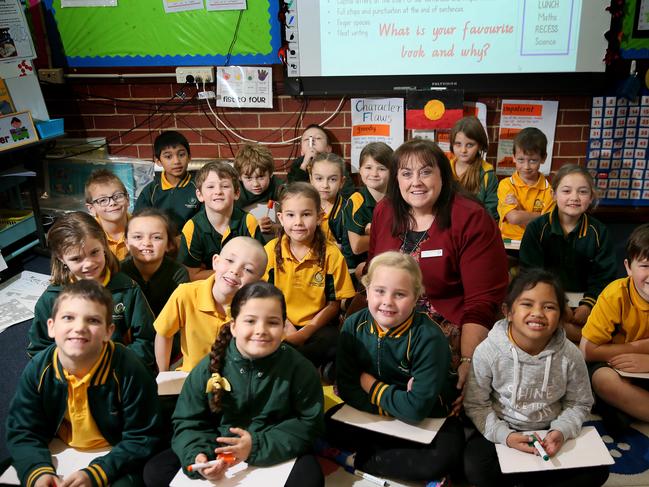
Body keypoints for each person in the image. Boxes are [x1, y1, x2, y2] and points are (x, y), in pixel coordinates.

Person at [143, 282, 325, 487]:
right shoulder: (209, 367)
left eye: (272, 322)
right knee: (156, 471)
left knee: (310, 479)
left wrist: (255, 446)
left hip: (274, 447)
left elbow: (309, 424)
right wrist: (198, 455)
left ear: (284, 327)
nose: (261, 330)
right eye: (250, 321)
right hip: (218, 447)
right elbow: (188, 420)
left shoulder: (299, 369)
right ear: (234, 326)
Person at [368, 138, 508, 399]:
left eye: (426, 172)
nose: (416, 182)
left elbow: (482, 301)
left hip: (449, 324)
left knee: (435, 392)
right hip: (389, 317)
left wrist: (468, 360)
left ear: (443, 175)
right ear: (396, 179)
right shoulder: (385, 211)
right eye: (407, 173)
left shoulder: (471, 217)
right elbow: (374, 272)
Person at [7, 280, 162, 487]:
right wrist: (38, 472)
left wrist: (97, 473)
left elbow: (143, 436)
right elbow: (22, 430)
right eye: (68, 318)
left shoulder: (129, 369)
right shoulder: (38, 369)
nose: (79, 327)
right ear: (51, 327)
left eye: (93, 320)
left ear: (109, 331)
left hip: (116, 454)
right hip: (58, 448)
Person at [324, 252, 462, 482]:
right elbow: (347, 388)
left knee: (442, 458)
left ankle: (358, 460)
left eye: (400, 294)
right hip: (385, 411)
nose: (388, 301)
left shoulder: (429, 337)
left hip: (430, 418)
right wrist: (399, 405)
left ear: (417, 296)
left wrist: (370, 384)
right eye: (379, 291)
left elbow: (418, 409)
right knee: (327, 424)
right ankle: (383, 457)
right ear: (366, 291)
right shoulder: (352, 325)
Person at [464, 269, 609, 487]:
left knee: (598, 470)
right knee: (475, 468)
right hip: (505, 430)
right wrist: (506, 436)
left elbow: (580, 403)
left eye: (549, 307)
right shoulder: (488, 351)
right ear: (508, 311)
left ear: (561, 317)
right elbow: (476, 405)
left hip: (550, 432)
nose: (538, 313)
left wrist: (560, 431)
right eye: (527, 304)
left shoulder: (571, 355)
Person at [27, 212, 155, 369]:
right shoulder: (50, 300)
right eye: (76, 259)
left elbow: (147, 340)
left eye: (94, 252)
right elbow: (39, 349)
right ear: (61, 258)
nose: (88, 264)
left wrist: (117, 367)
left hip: (117, 374)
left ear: (103, 244)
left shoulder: (127, 289)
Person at [520, 164, 616, 342]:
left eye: (582, 192)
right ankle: (579, 339)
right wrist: (558, 302)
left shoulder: (599, 232)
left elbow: (605, 277)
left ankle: (582, 341)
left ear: (591, 197)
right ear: (554, 194)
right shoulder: (536, 229)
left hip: (587, 304)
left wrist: (588, 305)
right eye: (566, 191)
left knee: (605, 330)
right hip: (547, 300)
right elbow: (531, 274)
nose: (574, 198)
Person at [265, 182, 355, 368]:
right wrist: (285, 324)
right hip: (279, 321)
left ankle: (289, 363)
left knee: (339, 342)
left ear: (319, 217)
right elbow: (264, 296)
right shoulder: (270, 251)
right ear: (281, 218)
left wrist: (305, 333)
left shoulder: (331, 254)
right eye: (290, 215)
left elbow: (334, 304)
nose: (298, 222)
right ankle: (306, 366)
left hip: (316, 327)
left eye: (306, 214)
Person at [154, 236, 267, 372]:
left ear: (258, 282)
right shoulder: (186, 293)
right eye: (230, 260)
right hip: (190, 379)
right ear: (216, 262)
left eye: (248, 269)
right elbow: (164, 333)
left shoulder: (257, 309)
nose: (235, 271)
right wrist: (163, 373)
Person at [580, 223, 649, 431]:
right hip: (614, 366)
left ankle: (627, 411)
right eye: (645, 266)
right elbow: (587, 350)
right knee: (603, 381)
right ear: (628, 267)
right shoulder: (615, 294)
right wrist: (640, 348)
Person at [178, 161, 265, 281]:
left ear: (236, 193)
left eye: (225, 186)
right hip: (206, 289)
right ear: (200, 195)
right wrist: (232, 271)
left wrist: (209, 271)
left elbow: (258, 268)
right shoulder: (192, 228)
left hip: (242, 287)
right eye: (210, 186)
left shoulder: (248, 221)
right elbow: (192, 276)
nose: (218, 191)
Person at [122, 208, 189, 316]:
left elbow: (179, 315)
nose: (147, 243)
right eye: (138, 237)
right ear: (127, 243)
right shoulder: (119, 271)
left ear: (169, 244)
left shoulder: (178, 273)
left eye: (156, 237)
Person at [134, 130, 200, 232]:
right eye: (168, 156)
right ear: (158, 161)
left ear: (189, 157)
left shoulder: (199, 187)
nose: (176, 161)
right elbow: (138, 223)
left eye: (181, 155)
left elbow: (205, 223)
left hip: (191, 243)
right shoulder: (151, 191)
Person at [344, 142, 392, 277]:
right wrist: (388, 232)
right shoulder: (357, 200)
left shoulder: (398, 199)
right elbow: (357, 246)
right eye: (368, 167)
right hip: (357, 267)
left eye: (382, 168)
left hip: (388, 261)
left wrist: (373, 232)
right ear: (360, 170)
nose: (374, 173)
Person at [498, 127, 554, 241]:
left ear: (543, 158)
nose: (526, 167)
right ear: (513, 157)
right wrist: (540, 217)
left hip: (536, 242)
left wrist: (518, 208)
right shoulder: (506, 185)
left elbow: (547, 226)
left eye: (533, 160)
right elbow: (513, 218)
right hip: (508, 242)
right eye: (521, 160)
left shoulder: (549, 191)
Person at [308, 152, 357, 270]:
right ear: (311, 179)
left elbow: (349, 254)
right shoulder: (303, 207)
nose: (325, 185)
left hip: (337, 268)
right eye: (319, 178)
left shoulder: (348, 211)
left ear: (342, 182)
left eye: (332, 179)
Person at [286, 124, 354, 197]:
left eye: (318, 138)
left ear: (328, 149)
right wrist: (304, 165)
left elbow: (347, 192)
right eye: (306, 139)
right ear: (302, 151)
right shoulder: (297, 165)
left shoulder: (336, 164)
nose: (311, 141)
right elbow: (292, 191)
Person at [450, 116, 498, 219]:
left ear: (480, 145)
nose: (463, 150)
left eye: (469, 145)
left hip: (476, 228)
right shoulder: (444, 168)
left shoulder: (487, 174)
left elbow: (491, 211)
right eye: (458, 144)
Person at [233, 143, 283, 238]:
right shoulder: (234, 194)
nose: (255, 184)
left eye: (260, 177)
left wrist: (276, 228)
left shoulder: (279, 188)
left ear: (270, 173)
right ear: (239, 177)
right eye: (248, 178)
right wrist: (252, 225)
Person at [85, 169, 130, 261]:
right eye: (102, 200)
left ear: (128, 199)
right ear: (91, 208)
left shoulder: (143, 229)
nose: (112, 202)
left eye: (118, 196)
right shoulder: (86, 235)